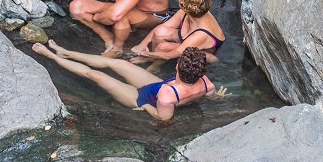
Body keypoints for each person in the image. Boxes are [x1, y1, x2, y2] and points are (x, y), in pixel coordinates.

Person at [32, 42, 223, 124]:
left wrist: (147, 107)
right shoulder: (207, 83)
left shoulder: (167, 96)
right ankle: (67, 53)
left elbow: (162, 118)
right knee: (117, 63)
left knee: (95, 75)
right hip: (157, 85)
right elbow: (210, 97)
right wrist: (220, 97)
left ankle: (51, 56)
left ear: (177, 67)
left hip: (140, 99)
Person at [130, 0, 225, 62]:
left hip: (205, 53)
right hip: (188, 40)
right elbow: (160, 28)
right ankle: (154, 58)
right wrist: (142, 44)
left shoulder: (201, 34)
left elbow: (169, 55)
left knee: (163, 47)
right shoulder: (188, 11)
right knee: (160, 31)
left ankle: (154, 67)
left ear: (183, 5)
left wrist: (145, 53)